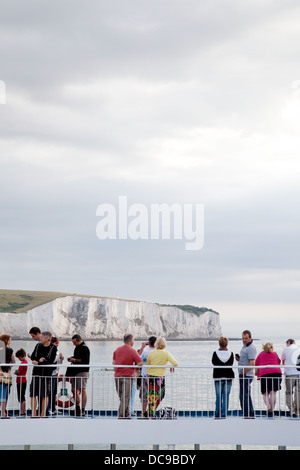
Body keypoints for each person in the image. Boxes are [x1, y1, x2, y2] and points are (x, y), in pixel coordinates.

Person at [112, 334, 143, 419]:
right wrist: (134, 369)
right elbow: (140, 363)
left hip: (117, 376)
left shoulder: (117, 350)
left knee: (122, 397)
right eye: (133, 340)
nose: (133, 342)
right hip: (127, 376)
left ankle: (127, 414)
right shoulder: (132, 351)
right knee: (126, 397)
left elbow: (114, 363)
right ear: (130, 341)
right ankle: (121, 416)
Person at [146, 336, 178, 418]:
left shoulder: (151, 353)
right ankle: (151, 413)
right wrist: (171, 366)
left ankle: (150, 412)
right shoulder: (166, 353)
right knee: (161, 395)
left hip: (149, 376)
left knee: (151, 396)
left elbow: (148, 365)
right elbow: (175, 363)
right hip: (159, 378)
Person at [30, 331, 57, 417]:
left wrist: (39, 362)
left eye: (42, 337)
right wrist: (39, 360)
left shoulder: (53, 348)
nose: (40, 338)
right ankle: (33, 413)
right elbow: (33, 356)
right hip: (36, 373)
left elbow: (51, 360)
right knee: (33, 393)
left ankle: (43, 413)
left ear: (47, 338)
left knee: (45, 394)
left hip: (46, 374)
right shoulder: (38, 346)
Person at [255, 342, 282, 417]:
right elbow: (278, 362)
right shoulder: (275, 354)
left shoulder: (261, 354)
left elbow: (256, 363)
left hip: (265, 374)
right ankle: (272, 409)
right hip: (276, 373)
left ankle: (269, 408)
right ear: (272, 347)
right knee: (273, 392)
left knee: (265, 393)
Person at [66, 334, 90, 417]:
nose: (73, 344)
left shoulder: (85, 348)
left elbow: (85, 361)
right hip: (76, 371)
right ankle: (77, 408)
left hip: (83, 371)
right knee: (73, 389)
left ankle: (83, 409)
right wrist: (72, 358)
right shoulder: (77, 348)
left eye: (74, 342)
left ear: (79, 340)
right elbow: (77, 358)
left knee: (83, 389)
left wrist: (74, 360)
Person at [212, 336, 234, 418]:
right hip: (228, 376)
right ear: (226, 344)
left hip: (218, 377)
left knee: (218, 396)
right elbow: (231, 363)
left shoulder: (215, 353)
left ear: (219, 343)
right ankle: (224, 414)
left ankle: (217, 414)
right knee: (226, 396)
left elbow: (213, 362)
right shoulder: (231, 353)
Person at [235, 330, 256, 418]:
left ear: (250, 338)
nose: (244, 340)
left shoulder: (251, 348)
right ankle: (249, 414)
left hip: (246, 375)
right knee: (245, 395)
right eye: (243, 338)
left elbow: (252, 363)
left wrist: (243, 372)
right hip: (244, 373)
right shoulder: (245, 346)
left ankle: (248, 415)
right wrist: (239, 359)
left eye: (246, 338)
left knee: (244, 395)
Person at [281, 339, 300, 417]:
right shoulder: (298, 349)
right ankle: (298, 411)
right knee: (298, 392)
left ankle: (291, 409)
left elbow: (283, 360)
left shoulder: (286, 349)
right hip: (298, 373)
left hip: (289, 373)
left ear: (288, 343)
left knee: (289, 392)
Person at [139, 336, 157, 418]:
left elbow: (139, 360)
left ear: (148, 343)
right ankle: (151, 412)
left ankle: (143, 413)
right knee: (154, 395)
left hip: (145, 376)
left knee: (144, 395)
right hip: (155, 377)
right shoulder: (158, 352)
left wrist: (142, 347)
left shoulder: (146, 352)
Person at [47, 336, 64, 415]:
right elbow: (52, 360)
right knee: (50, 391)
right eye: (56, 343)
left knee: (54, 391)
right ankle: (48, 408)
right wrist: (58, 358)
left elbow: (58, 363)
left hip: (56, 373)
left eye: (58, 343)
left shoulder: (56, 351)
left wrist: (61, 359)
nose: (57, 345)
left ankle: (53, 408)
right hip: (51, 373)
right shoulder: (50, 350)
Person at [0, 334, 15, 418]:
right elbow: (13, 361)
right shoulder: (10, 350)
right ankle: (3, 413)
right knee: (4, 394)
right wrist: (9, 366)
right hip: (6, 375)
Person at [14, 348, 28, 416]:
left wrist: (16, 372)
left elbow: (19, 372)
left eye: (19, 357)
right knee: (22, 396)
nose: (19, 359)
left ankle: (22, 411)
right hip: (23, 380)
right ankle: (22, 411)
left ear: (22, 356)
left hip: (21, 381)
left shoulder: (23, 363)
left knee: (21, 396)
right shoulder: (25, 362)